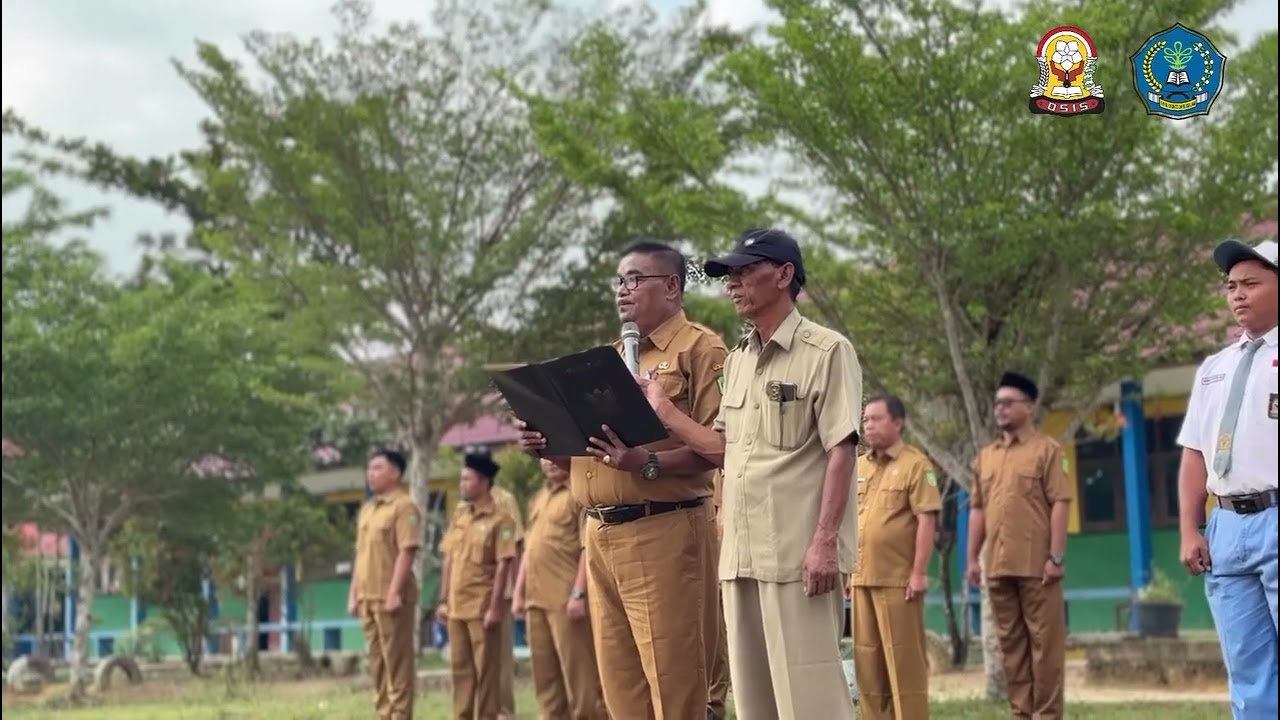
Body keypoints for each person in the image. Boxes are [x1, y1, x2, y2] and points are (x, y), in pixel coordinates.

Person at [647, 228, 863, 720]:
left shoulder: (826, 351)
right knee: (755, 703)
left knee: (811, 701)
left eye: (745, 272)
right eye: (729, 275)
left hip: (797, 557)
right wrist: (666, 413)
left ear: (784, 274)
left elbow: (842, 449)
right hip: (741, 557)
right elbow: (723, 450)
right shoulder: (739, 360)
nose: (732, 283)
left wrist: (824, 542)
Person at [517, 239, 727, 719]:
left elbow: (718, 449)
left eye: (634, 279)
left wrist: (646, 463)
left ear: (671, 286)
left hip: (663, 529)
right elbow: (593, 454)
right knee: (621, 690)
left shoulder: (700, 348)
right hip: (600, 533)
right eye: (618, 281)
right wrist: (546, 443)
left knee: (675, 686)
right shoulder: (608, 359)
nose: (622, 290)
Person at [1177, 238, 1278, 719]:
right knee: (1248, 670)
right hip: (1227, 529)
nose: (1237, 294)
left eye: (1250, 283)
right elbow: (1195, 452)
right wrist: (1189, 528)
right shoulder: (1214, 369)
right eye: (1231, 286)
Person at [965, 371, 1072, 720]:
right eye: (997, 403)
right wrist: (972, 558)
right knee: (1010, 647)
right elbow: (977, 509)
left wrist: (1056, 557)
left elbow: (1060, 502)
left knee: (1045, 647)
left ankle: (1048, 715)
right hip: (997, 566)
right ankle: (1020, 714)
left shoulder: (1047, 451)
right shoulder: (986, 457)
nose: (1000, 408)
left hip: (1038, 567)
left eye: (1008, 403)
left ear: (1029, 407)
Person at [849, 393, 941, 720]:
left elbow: (926, 520)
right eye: (865, 420)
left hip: (899, 582)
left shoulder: (916, 465)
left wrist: (919, 573)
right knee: (868, 667)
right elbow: (853, 519)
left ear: (898, 423)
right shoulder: (859, 466)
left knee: (904, 666)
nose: (868, 425)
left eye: (876, 419)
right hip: (861, 578)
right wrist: (848, 571)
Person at [511, 458, 607, 719]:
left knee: (580, 678)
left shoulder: (579, 492)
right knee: (545, 680)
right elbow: (530, 548)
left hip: (566, 600)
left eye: (554, 453)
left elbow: (588, 548)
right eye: (544, 456)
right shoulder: (539, 498)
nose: (549, 461)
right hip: (535, 600)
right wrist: (518, 593)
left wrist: (578, 593)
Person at [438, 453, 519, 720]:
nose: (462, 484)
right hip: (456, 607)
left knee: (486, 672)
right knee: (460, 671)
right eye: (461, 479)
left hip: (482, 608)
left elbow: (503, 565)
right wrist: (443, 600)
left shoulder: (502, 521)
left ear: (484, 482)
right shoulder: (460, 516)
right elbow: (449, 559)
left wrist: (495, 608)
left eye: (467, 479)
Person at [348, 449, 422, 720]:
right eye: (369, 469)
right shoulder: (368, 510)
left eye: (378, 468)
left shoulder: (404, 506)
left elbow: (407, 550)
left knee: (397, 663)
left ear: (395, 473)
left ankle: (400, 714)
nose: (371, 474)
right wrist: (353, 594)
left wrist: (394, 591)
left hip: (391, 598)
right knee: (377, 663)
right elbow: (360, 554)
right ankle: (384, 714)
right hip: (368, 597)